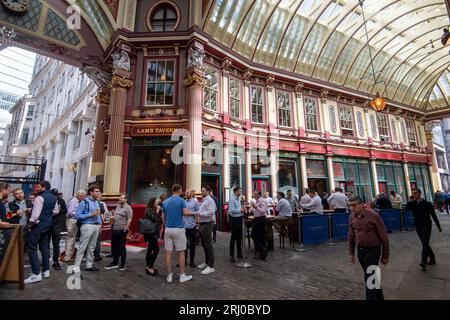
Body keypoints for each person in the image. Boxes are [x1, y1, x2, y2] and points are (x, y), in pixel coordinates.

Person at [348, 195, 389, 300]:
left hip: (373, 252)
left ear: (362, 205)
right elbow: (351, 236)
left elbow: (384, 236)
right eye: (350, 206)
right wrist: (351, 253)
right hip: (361, 252)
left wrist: (385, 255)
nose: (352, 208)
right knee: (373, 277)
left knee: (370, 278)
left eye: (354, 205)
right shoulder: (351, 217)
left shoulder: (373, 216)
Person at [25, 181, 58, 284]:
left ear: (43, 187)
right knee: (44, 246)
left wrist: (30, 225)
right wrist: (47, 214)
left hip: (39, 225)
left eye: (38, 187)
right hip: (48, 224)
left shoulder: (39, 197)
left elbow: (35, 216)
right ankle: (46, 270)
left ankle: (36, 274)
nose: (37, 188)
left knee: (31, 247)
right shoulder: (54, 197)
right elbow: (56, 211)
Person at [163, 184, 194, 283]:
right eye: (182, 191)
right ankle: (182, 275)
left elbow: (163, 216)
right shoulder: (181, 201)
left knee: (168, 252)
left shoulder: (166, 202)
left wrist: (166, 225)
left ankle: (169, 276)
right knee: (181, 252)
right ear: (179, 190)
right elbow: (185, 213)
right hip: (179, 229)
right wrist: (194, 213)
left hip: (168, 229)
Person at [406, 188, 442, 270]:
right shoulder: (412, 203)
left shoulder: (427, 204)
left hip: (427, 225)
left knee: (425, 242)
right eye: (413, 193)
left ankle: (423, 261)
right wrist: (410, 200)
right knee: (424, 242)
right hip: (418, 226)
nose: (414, 195)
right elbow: (406, 209)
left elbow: (433, 215)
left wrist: (438, 225)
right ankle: (432, 258)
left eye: (415, 193)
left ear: (419, 193)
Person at [74, 185, 102, 272]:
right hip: (87, 226)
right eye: (96, 191)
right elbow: (77, 216)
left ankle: (89, 265)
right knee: (82, 247)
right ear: (91, 192)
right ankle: (76, 267)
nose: (98, 193)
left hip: (95, 226)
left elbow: (98, 214)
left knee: (91, 247)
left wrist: (99, 224)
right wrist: (91, 214)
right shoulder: (84, 202)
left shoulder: (96, 202)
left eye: (98, 191)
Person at [105, 194, 133, 271]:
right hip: (115, 229)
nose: (119, 199)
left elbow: (129, 219)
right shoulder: (118, 205)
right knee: (114, 247)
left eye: (121, 198)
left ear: (126, 199)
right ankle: (115, 262)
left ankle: (122, 265)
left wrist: (126, 228)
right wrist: (112, 218)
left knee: (121, 248)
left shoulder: (128, 208)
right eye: (119, 197)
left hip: (122, 230)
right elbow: (116, 216)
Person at [196, 185, 217, 275]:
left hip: (208, 224)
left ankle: (211, 266)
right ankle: (206, 262)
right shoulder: (205, 200)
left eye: (204, 190)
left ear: (208, 191)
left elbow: (212, 211)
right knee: (204, 244)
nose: (202, 192)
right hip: (203, 224)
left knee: (208, 245)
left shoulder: (210, 200)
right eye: (202, 190)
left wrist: (201, 214)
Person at [63, 190, 86, 263]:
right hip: (72, 221)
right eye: (83, 197)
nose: (84, 198)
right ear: (80, 196)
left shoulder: (78, 201)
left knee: (72, 239)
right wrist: (78, 213)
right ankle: (67, 257)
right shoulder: (73, 201)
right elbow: (69, 213)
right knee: (71, 239)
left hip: (74, 221)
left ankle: (69, 255)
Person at [49, 189, 67, 270]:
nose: (55, 196)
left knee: (56, 244)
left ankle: (56, 261)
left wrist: (59, 211)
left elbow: (65, 210)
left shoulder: (61, 200)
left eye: (56, 195)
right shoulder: (47, 200)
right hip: (48, 223)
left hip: (57, 224)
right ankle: (45, 260)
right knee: (45, 243)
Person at [143, 197, 162, 276]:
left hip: (154, 232)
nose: (157, 203)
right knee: (156, 250)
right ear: (152, 202)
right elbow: (153, 219)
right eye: (155, 202)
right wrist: (157, 211)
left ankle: (148, 266)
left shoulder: (153, 209)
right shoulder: (149, 210)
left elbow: (159, 221)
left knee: (150, 249)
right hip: (151, 233)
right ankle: (150, 267)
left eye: (157, 202)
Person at [228, 186, 245, 263]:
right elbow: (231, 210)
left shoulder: (239, 199)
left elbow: (241, 208)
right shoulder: (232, 199)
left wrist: (243, 205)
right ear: (235, 191)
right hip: (234, 220)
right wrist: (240, 210)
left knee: (239, 237)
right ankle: (231, 255)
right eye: (239, 191)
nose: (240, 192)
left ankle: (239, 253)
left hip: (240, 218)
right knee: (233, 237)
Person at [251, 190, 268, 260]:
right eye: (253, 194)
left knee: (259, 236)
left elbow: (264, 211)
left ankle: (263, 250)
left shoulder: (262, 201)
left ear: (259, 195)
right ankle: (261, 251)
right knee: (255, 235)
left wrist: (255, 207)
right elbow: (257, 210)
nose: (253, 195)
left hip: (260, 220)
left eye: (255, 194)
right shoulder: (257, 201)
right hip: (257, 220)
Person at [184, 189, 199, 267]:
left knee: (192, 244)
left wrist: (190, 213)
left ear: (191, 194)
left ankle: (192, 261)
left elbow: (198, 212)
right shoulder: (183, 202)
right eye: (186, 192)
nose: (186, 193)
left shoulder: (195, 202)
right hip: (184, 226)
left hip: (192, 226)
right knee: (184, 244)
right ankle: (184, 260)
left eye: (188, 192)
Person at [94, 192, 108, 262]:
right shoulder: (101, 203)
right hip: (97, 223)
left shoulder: (101, 203)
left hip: (97, 223)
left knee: (96, 240)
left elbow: (105, 213)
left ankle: (95, 255)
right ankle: (96, 256)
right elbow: (105, 213)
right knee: (96, 240)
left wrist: (102, 222)